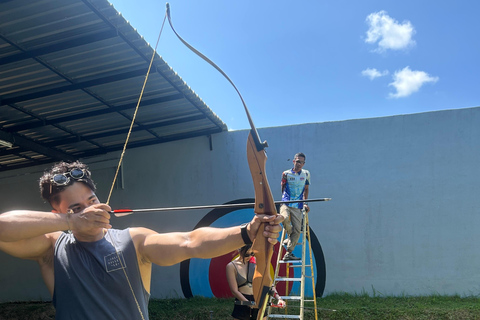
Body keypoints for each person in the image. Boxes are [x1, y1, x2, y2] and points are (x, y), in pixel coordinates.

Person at [0, 161, 283, 320]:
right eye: (75, 209)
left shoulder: (132, 241)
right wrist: (70, 223)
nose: (89, 211)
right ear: (56, 213)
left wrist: (247, 232)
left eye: (92, 201)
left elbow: (190, 242)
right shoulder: (52, 248)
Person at [226, 244, 285, 320]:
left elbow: (268, 282)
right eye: (247, 254)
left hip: (258, 300)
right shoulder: (231, 266)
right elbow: (234, 291)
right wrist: (248, 303)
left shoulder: (256, 262)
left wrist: (278, 298)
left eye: (252, 253)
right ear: (239, 249)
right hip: (242, 302)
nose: (250, 256)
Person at [280, 152, 310, 261]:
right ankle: (289, 236)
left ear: (304, 163)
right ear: (294, 161)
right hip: (286, 202)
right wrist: (284, 200)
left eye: (301, 162)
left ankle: (289, 252)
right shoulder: (286, 173)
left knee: (298, 230)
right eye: (297, 161)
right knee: (283, 218)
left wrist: (305, 203)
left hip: (298, 205)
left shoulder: (306, 174)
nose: (299, 164)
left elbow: (306, 189)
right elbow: (282, 186)